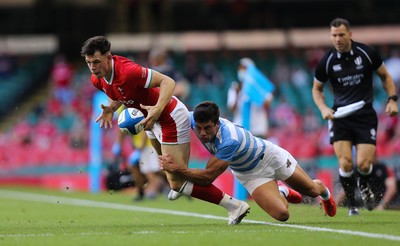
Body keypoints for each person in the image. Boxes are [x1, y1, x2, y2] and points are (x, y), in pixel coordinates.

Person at [81, 36, 250, 225]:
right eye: (88, 63)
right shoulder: (98, 79)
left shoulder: (128, 71)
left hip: (169, 116)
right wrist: (111, 108)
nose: (92, 67)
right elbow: (122, 94)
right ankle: (177, 185)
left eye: (96, 62)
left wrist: (158, 108)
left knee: (176, 179)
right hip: (151, 120)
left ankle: (234, 206)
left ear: (108, 57)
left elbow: (168, 82)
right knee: (165, 168)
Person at [159, 101, 336, 222]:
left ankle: (325, 194)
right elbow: (172, 111)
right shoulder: (190, 118)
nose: (202, 133)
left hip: (271, 157)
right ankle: (281, 191)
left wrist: (178, 169)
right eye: (199, 128)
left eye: (207, 128)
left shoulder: (229, 140)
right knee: (283, 215)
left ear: (217, 124)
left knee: (312, 191)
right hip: (250, 174)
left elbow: (207, 178)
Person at [312, 18, 398, 216]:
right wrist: (323, 108)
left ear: (350, 34)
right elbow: (317, 90)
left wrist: (392, 99)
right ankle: (352, 204)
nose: (338, 39)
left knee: (364, 164)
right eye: (334, 35)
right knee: (345, 164)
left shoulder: (366, 54)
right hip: (340, 117)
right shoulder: (327, 61)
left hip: (364, 115)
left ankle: (365, 184)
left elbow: (385, 76)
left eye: (341, 34)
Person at [113, 106, 167, 201]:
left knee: (152, 170)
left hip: (148, 144)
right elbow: (121, 129)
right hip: (139, 146)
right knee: (139, 168)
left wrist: (140, 148)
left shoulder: (139, 106)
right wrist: (118, 144)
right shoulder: (121, 109)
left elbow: (146, 127)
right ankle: (142, 192)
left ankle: (172, 183)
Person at [227, 58, 273, 138]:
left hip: (258, 129)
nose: (242, 71)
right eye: (240, 68)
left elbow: (268, 104)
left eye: (245, 68)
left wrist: (256, 92)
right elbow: (231, 109)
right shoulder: (235, 88)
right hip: (240, 129)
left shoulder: (260, 86)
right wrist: (238, 94)